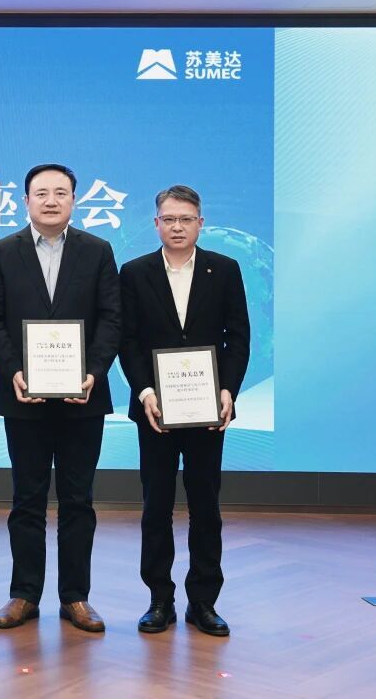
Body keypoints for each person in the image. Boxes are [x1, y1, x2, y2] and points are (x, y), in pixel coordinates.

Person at [0, 164, 121, 633]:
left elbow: (111, 319)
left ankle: (76, 597)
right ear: (26, 201)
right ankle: (24, 594)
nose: (51, 200)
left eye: (61, 192)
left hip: (84, 399)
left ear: (74, 200)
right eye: (42, 193)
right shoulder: (1, 252)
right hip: (24, 397)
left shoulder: (98, 251)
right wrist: (14, 372)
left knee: (79, 500)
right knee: (27, 499)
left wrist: (93, 372)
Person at [117, 185, 250, 637]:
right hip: (155, 410)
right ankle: (159, 600)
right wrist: (144, 391)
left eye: (186, 219)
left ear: (200, 223)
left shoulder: (224, 269)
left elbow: (238, 337)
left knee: (205, 506)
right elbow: (128, 341)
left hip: (208, 409)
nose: (177, 227)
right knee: (156, 506)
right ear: (156, 223)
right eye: (169, 219)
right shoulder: (135, 272)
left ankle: (203, 602)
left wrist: (228, 389)